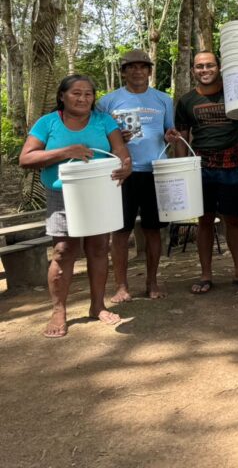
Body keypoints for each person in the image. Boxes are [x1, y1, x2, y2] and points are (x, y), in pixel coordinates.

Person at [20, 75, 132, 337]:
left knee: (99, 247)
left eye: (88, 94)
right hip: (62, 194)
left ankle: (97, 305)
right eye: (76, 93)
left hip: (100, 191)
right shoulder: (48, 123)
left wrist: (126, 166)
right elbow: (25, 158)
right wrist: (65, 152)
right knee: (63, 250)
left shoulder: (103, 120)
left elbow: (120, 150)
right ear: (62, 96)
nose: (83, 99)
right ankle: (59, 311)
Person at [171, 51, 238, 294]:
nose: (204, 70)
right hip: (201, 167)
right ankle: (205, 275)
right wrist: (182, 169)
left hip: (234, 164)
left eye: (209, 65)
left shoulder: (236, 94)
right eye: (199, 66)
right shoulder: (186, 101)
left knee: (234, 220)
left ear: (219, 68)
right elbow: (182, 138)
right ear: (193, 71)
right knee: (205, 221)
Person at [97, 49, 175, 302]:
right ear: (123, 72)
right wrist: (116, 139)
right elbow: (99, 138)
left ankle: (152, 282)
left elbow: (170, 133)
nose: (137, 71)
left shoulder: (163, 99)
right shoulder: (107, 102)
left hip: (156, 172)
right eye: (131, 67)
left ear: (150, 71)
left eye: (143, 66)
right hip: (122, 173)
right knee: (120, 232)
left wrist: (171, 137)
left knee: (153, 230)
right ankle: (121, 286)